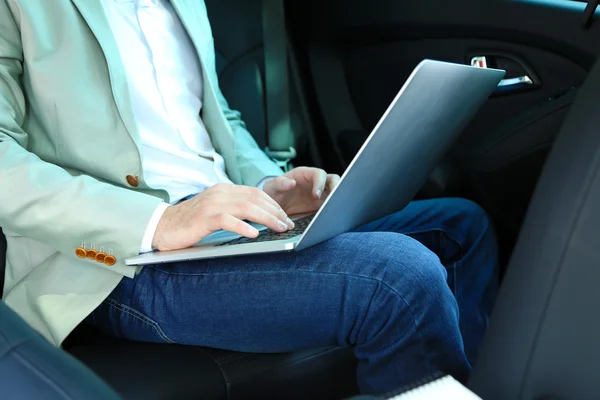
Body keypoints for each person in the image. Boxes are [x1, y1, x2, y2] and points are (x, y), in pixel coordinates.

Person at [0, 0, 498, 395]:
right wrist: (161, 222)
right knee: (398, 275)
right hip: (118, 257)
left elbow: (211, 120)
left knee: (461, 226)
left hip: (227, 223)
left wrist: (267, 188)